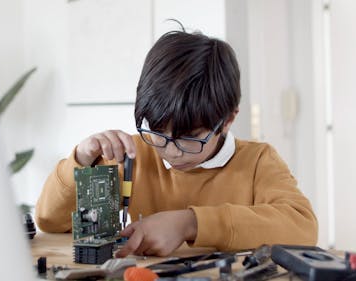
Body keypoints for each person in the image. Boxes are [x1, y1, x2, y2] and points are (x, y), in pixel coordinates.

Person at [35, 29, 318, 257]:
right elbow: (50, 221)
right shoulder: (130, 155)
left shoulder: (258, 162)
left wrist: (190, 224)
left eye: (190, 138)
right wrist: (81, 160)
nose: (170, 150)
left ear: (228, 120)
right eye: (158, 132)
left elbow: (302, 228)